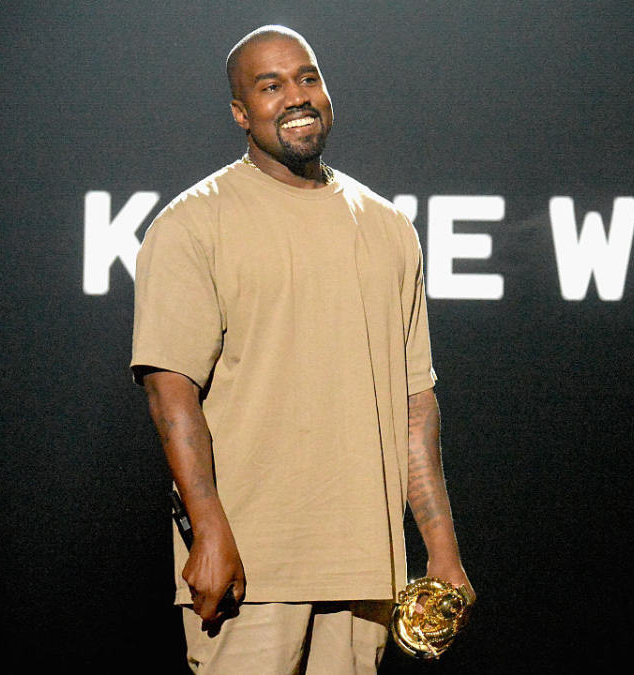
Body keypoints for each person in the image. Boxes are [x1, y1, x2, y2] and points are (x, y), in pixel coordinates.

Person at [131, 24, 472, 674]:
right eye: (271, 85)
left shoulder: (388, 227)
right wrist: (207, 530)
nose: (296, 96)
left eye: (308, 78)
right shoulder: (193, 225)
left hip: (366, 570)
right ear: (240, 111)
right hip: (251, 567)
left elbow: (414, 405)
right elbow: (169, 392)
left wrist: (442, 549)